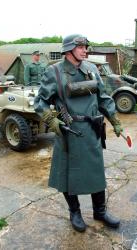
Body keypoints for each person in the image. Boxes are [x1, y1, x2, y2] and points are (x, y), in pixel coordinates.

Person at [34, 34, 123, 233]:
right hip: (68, 131)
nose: (85, 50)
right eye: (81, 47)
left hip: (92, 129)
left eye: (86, 47)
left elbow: (104, 97)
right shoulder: (54, 72)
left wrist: (115, 121)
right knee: (67, 174)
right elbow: (40, 102)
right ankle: (74, 212)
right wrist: (52, 120)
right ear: (68, 49)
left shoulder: (91, 69)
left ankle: (100, 211)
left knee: (95, 171)